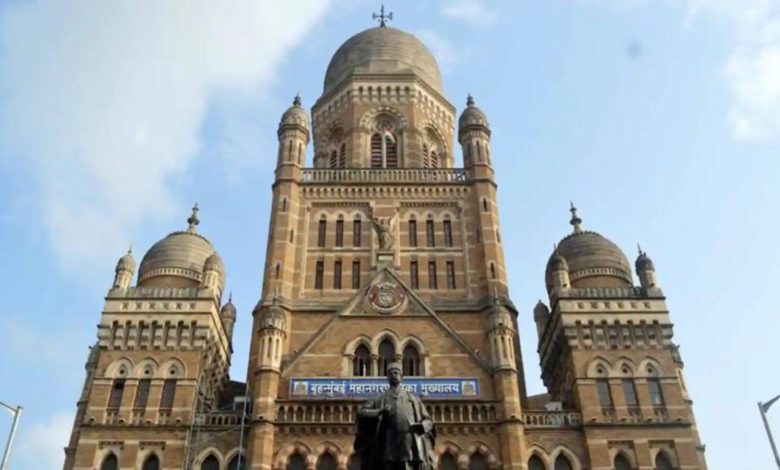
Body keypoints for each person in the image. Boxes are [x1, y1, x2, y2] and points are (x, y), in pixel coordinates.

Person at [354, 362, 436, 470]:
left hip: (408, 443)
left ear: (401, 377)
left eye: (396, 373)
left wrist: (422, 426)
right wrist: (379, 411)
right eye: (391, 373)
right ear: (387, 377)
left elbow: (428, 420)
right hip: (387, 443)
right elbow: (362, 413)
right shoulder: (379, 398)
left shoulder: (413, 399)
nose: (393, 375)